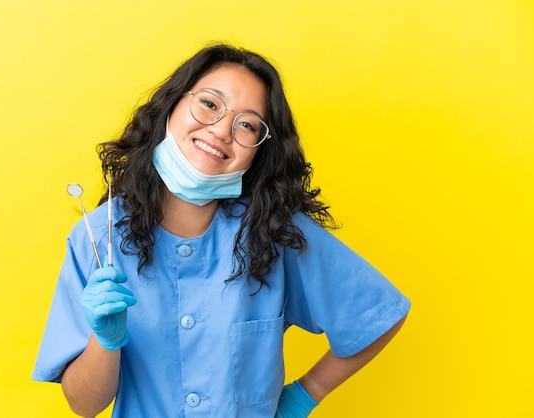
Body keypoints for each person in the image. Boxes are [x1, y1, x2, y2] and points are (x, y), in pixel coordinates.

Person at [32, 43, 411, 418]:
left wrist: (304, 395)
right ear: (173, 105)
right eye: (210, 104)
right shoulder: (99, 240)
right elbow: (84, 405)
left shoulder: (275, 232)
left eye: (246, 124)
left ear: (259, 150)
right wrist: (106, 341)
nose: (220, 131)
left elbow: (377, 315)